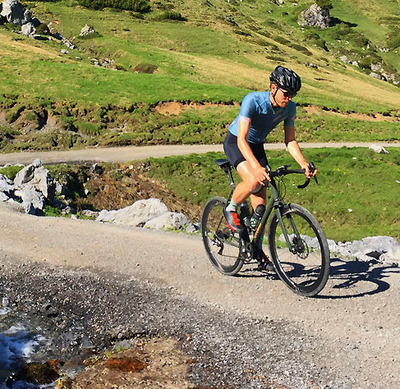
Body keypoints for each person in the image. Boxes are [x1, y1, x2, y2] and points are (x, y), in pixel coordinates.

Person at [223, 65, 316, 235]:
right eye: (286, 93)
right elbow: (241, 139)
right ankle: (230, 209)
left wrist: (303, 163)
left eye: (292, 95)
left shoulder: (290, 108)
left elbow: (290, 140)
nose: (288, 98)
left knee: (261, 210)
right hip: (236, 142)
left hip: (257, 145)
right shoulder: (252, 100)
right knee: (253, 181)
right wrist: (257, 168)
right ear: (273, 88)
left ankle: (256, 250)